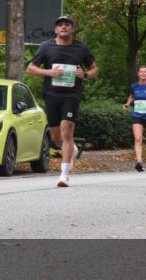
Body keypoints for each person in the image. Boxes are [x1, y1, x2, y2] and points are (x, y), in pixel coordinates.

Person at [26, 15, 99, 187]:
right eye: (60, 25)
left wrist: (86, 75)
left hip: (72, 95)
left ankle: (64, 174)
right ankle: (70, 150)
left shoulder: (81, 48)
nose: (64, 27)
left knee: (67, 131)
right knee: (57, 137)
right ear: (56, 30)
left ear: (72, 29)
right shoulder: (46, 47)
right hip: (51, 95)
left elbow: (95, 68)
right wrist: (49, 73)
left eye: (67, 24)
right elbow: (30, 68)